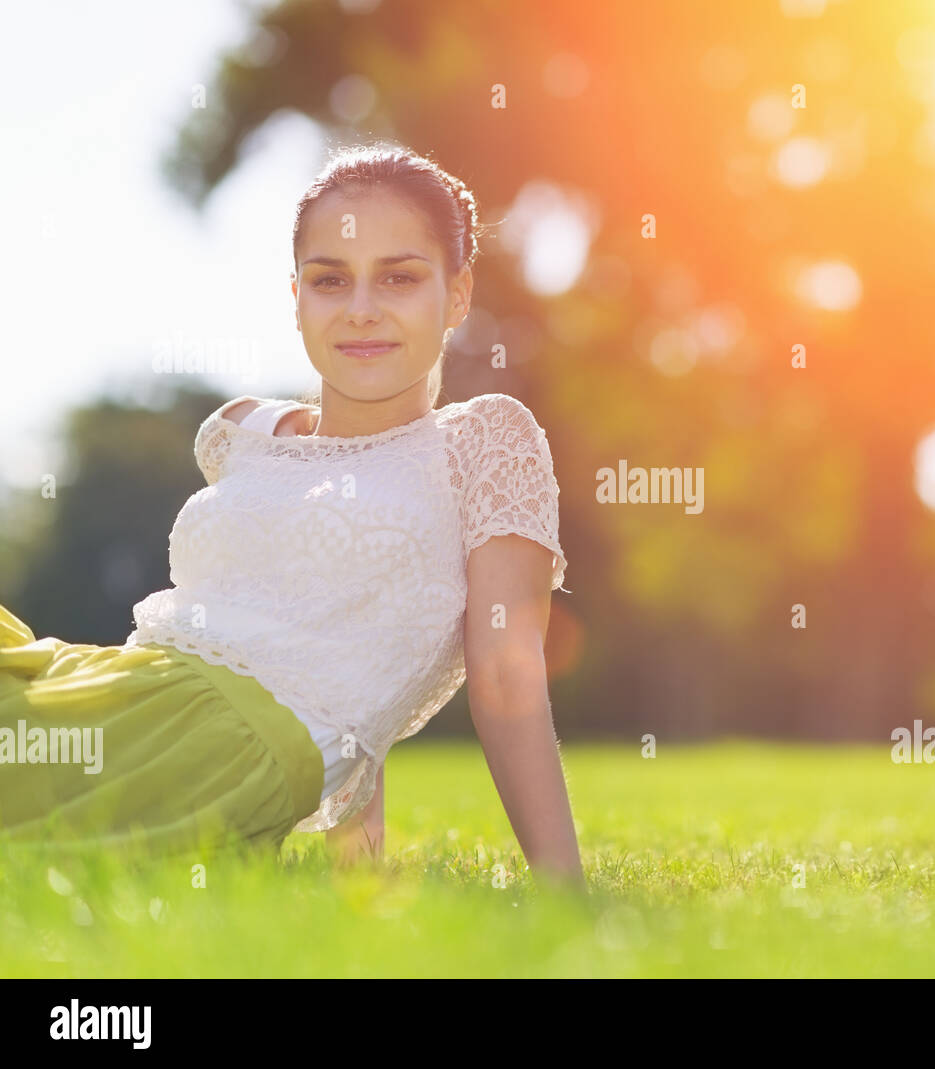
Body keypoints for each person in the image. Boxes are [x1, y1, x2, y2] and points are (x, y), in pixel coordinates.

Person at [0, 142, 585, 892]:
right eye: (330, 280)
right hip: (119, 686)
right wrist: (356, 858)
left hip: (225, 749)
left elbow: (504, 674)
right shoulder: (244, 430)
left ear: (459, 294)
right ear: (297, 296)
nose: (362, 309)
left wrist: (564, 888)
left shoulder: (485, 441)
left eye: (399, 277)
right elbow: (312, 614)